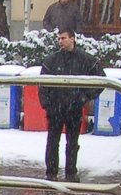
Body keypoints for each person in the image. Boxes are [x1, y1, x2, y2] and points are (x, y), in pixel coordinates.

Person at [38, 29, 103, 181]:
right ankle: (51, 173)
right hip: (56, 109)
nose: (60, 41)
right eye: (59, 38)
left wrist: (85, 97)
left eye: (64, 38)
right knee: (53, 142)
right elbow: (42, 85)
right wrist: (47, 105)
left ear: (72, 39)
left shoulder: (85, 60)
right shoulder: (52, 60)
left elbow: (101, 79)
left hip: (74, 109)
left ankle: (71, 172)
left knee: (72, 143)